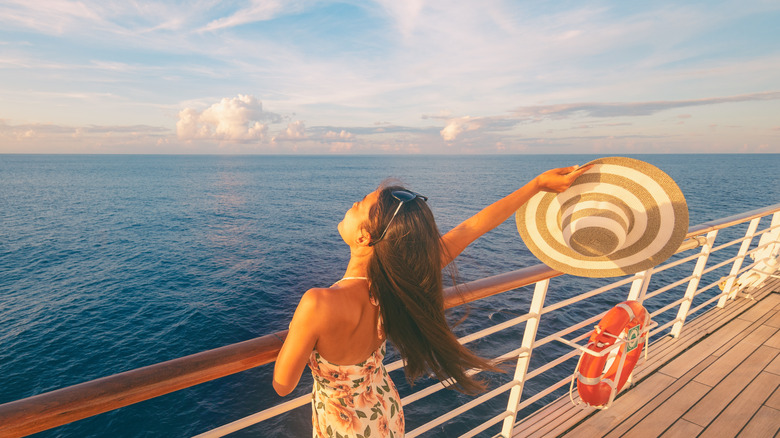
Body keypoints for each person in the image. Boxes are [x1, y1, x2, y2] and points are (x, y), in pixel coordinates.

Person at [273, 165, 591, 438]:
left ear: (363, 237)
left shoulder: (319, 303)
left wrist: (299, 331)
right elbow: (473, 227)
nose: (353, 203)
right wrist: (536, 185)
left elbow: (283, 385)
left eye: (360, 205)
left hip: (345, 427)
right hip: (384, 410)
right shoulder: (402, 278)